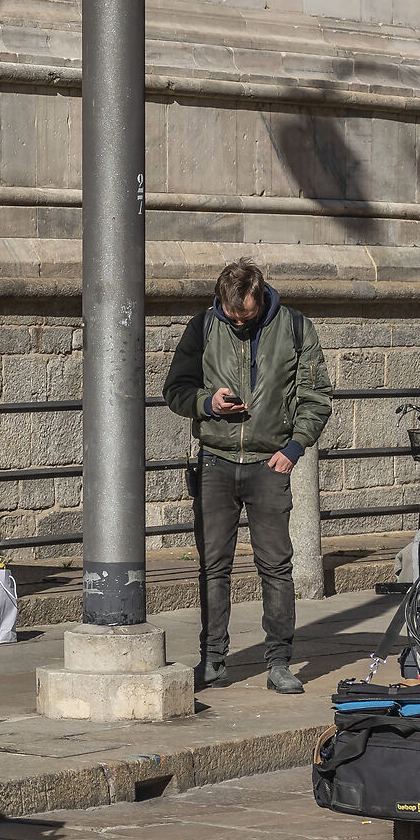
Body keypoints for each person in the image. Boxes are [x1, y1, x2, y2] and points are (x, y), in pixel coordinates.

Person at [162, 259, 332, 693]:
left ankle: (279, 662)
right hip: (215, 461)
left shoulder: (296, 328)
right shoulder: (202, 326)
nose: (238, 323)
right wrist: (208, 403)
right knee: (212, 566)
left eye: (247, 316)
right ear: (220, 300)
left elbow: (316, 396)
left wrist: (294, 448)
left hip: (269, 462)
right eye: (231, 315)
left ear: (261, 297)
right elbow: (175, 390)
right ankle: (213, 660)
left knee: (276, 566)